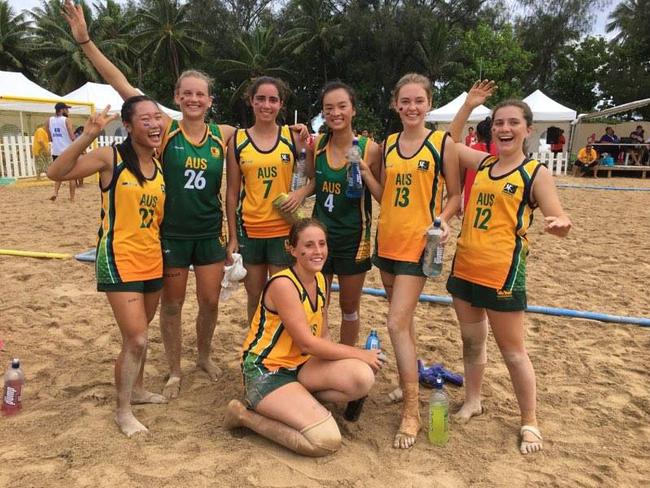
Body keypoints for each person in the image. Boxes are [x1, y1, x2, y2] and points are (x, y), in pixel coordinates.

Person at [64, 0, 235, 399]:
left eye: (201, 95)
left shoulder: (224, 134)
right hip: (170, 236)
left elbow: (264, 142)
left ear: (210, 100)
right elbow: (121, 83)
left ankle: (204, 357)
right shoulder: (165, 129)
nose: (194, 99)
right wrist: (86, 42)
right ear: (176, 97)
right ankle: (174, 370)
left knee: (209, 302)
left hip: (209, 233)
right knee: (172, 307)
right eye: (187, 93)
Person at [447, 92, 572, 455]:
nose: (505, 128)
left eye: (513, 122)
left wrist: (559, 222)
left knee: (513, 352)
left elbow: (556, 214)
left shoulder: (536, 172)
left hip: (503, 274)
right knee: (472, 343)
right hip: (465, 268)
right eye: (499, 122)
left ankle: (529, 420)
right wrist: (468, 106)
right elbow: (449, 144)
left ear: (527, 130)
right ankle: (473, 400)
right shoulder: (483, 164)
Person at [47, 97, 168, 437]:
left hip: (152, 260)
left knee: (140, 335)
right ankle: (123, 410)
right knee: (138, 339)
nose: (154, 124)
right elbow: (55, 172)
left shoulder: (158, 166)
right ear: (128, 126)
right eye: (145, 119)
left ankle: (140, 390)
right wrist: (88, 135)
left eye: (157, 117)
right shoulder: (110, 157)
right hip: (118, 259)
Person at [224, 218, 383, 456]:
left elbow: (323, 334)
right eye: (308, 245)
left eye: (322, 244)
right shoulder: (284, 284)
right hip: (267, 370)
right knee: (325, 441)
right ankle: (244, 416)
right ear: (292, 249)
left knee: (362, 377)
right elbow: (307, 343)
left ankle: (295, 399)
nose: (317, 251)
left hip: (300, 364)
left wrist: (354, 361)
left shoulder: (319, 278)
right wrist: (360, 353)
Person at [363, 73, 461, 449]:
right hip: (386, 243)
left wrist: (443, 220)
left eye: (418, 101)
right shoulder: (387, 144)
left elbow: (455, 195)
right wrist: (366, 173)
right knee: (403, 325)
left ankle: (412, 411)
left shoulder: (442, 144)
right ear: (395, 104)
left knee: (395, 323)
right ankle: (409, 381)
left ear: (429, 103)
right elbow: (385, 195)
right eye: (405, 101)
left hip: (418, 248)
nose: (411, 107)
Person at [226, 77, 312, 326]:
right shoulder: (238, 140)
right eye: (260, 98)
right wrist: (232, 236)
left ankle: (281, 345)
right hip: (250, 230)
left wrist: (300, 193)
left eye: (272, 99)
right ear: (251, 102)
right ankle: (257, 344)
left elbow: (313, 178)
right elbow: (232, 193)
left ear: (281, 104)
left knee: (282, 293)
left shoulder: (293, 137)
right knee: (254, 294)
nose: (266, 104)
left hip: (283, 230)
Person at [309, 81, 381, 346]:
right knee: (318, 303)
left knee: (349, 306)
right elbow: (311, 183)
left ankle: (346, 356)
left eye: (342, 106)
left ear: (353, 110)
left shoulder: (370, 148)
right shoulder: (317, 145)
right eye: (329, 108)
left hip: (353, 238)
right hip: (319, 238)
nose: (335, 113)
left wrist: (365, 172)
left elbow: (383, 195)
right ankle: (321, 353)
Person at [449, 82, 498, 211]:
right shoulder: (498, 154)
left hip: (472, 207)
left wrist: (457, 196)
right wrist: (467, 106)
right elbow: (450, 144)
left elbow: (450, 143)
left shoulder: (473, 151)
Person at [46, 102, 76, 201]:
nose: (68, 110)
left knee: (58, 175)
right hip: (67, 151)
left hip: (56, 151)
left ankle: (55, 193)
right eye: (66, 109)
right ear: (62, 110)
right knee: (72, 175)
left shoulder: (50, 120)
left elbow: (49, 135)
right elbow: (72, 137)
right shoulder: (66, 120)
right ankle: (71, 198)